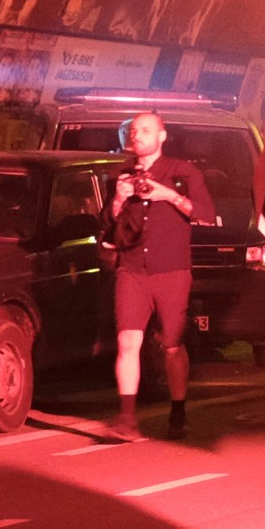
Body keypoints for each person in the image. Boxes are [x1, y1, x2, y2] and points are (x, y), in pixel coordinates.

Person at [103, 112, 218, 440]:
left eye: (146, 130)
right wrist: (118, 200)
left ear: (162, 136)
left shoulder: (183, 171)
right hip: (132, 268)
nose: (137, 135)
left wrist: (168, 195)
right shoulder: (120, 173)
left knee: (171, 346)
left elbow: (207, 215)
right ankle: (127, 418)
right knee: (128, 341)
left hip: (171, 270)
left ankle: (178, 409)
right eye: (134, 130)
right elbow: (109, 225)